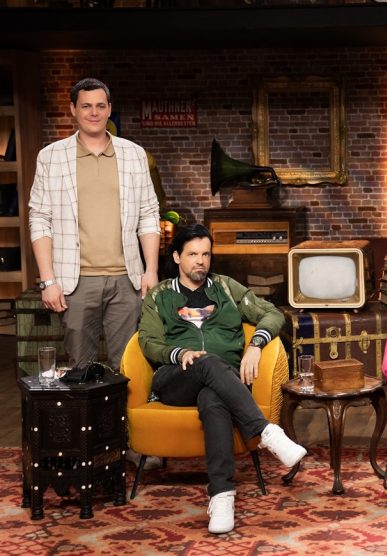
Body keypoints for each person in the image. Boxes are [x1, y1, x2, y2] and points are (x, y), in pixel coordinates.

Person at [138, 224, 306, 534]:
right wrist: (178, 353)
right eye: (192, 254)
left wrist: (256, 345)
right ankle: (266, 432)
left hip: (222, 383)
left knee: (213, 397)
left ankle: (222, 496)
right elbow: (148, 341)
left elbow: (272, 313)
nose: (200, 261)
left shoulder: (226, 288)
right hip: (175, 380)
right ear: (176, 257)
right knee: (207, 363)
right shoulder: (160, 295)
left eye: (205, 254)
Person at [29, 77, 160, 371]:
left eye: (100, 106)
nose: (94, 112)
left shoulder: (134, 154)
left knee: (128, 367)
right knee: (81, 368)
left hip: (126, 280)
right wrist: (48, 280)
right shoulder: (51, 157)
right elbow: (40, 219)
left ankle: (123, 406)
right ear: (73, 109)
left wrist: (150, 270)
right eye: (86, 106)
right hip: (74, 281)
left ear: (109, 109)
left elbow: (149, 214)